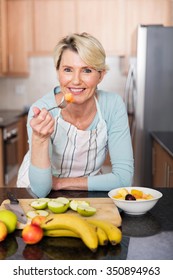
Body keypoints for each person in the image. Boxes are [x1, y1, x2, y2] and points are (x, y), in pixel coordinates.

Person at [17, 32, 134, 198]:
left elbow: (123, 179)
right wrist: (39, 139)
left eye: (86, 70)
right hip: (36, 192)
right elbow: (41, 189)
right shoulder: (42, 110)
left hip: (87, 191)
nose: (76, 81)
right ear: (58, 72)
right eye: (67, 70)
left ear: (101, 75)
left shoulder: (112, 105)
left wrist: (60, 182)